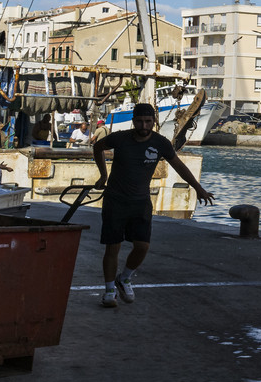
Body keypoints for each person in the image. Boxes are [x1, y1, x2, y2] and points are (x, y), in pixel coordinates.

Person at [91, 103, 216, 308]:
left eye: (148, 121)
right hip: (115, 200)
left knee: (142, 246)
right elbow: (97, 147)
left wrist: (198, 188)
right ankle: (109, 290)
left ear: (154, 122)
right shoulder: (120, 138)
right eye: (140, 121)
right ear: (134, 121)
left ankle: (125, 278)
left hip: (140, 202)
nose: (144, 125)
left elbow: (179, 166)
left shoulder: (161, 143)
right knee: (112, 247)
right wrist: (103, 175)